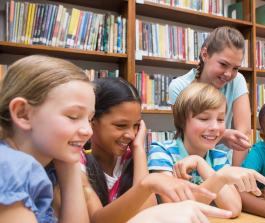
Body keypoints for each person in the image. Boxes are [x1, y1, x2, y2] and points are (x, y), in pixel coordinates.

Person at [79, 78, 218, 223]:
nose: (131, 135)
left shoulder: (130, 158)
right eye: (121, 125)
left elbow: (147, 214)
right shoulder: (78, 162)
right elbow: (96, 219)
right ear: (91, 121)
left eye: (136, 125)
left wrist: (139, 150)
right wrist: (147, 184)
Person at [148, 83, 265, 218]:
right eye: (203, 118)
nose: (215, 127)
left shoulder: (219, 157)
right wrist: (219, 177)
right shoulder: (162, 152)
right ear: (181, 121)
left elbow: (233, 209)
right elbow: (176, 210)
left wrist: (199, 162)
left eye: (220, 119)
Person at [0, 55, 93, 223]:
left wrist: (70, 165)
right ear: (23, 113)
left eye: (90, 119)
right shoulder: (11, 168)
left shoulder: (49, 170)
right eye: (73, 116)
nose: (88, 131)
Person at [169, 26, 251, 166]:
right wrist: (221, 135)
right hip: (189, 163)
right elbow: (184, 134)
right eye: (223, 64)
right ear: (205, 55)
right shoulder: (179, 86)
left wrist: (237, 177)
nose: (228, 74)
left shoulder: (237, 81)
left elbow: (243, 135)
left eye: (235, 68)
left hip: (224, 164)